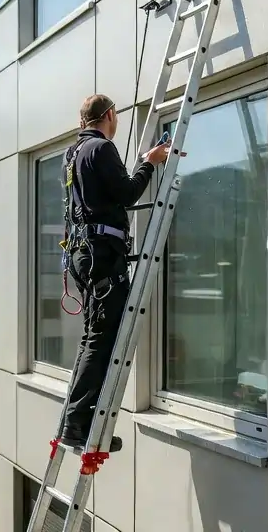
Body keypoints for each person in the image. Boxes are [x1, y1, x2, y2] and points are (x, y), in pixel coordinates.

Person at [59, 94, 175, 451]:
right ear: (109, 115)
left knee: (92, 338)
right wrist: (150, 163)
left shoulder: (73, 153)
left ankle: (76, 420)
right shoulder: (102, 148)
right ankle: (77, 423)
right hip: (101, 256)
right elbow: (126, 194)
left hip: (84, 255)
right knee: (101, 340)